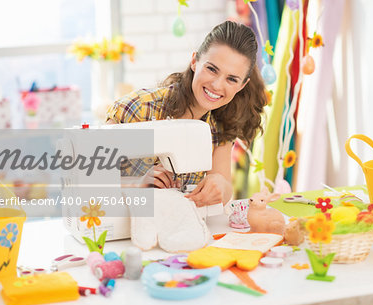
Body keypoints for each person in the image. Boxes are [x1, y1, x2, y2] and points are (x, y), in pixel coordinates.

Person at [106, 20, 267, 207]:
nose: (217, 85)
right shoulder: (138, 108)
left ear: (242, 85)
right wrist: (135, 184)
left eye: (231, 79)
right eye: (212, 69)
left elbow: (224, 187)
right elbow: (87, 179)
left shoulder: (222, 123)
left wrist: (219, 187)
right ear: (194, 61)